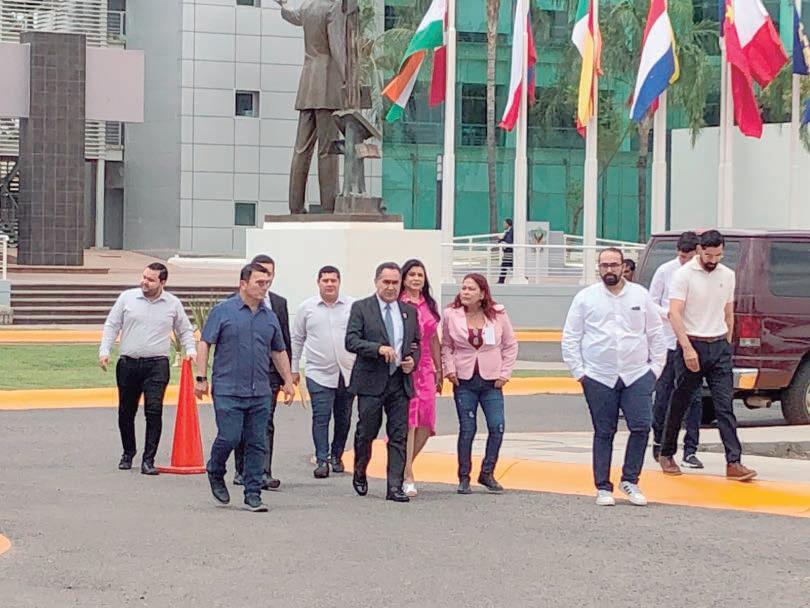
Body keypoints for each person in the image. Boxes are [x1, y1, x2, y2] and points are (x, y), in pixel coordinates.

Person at [561, 248, 666, 507]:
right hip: (598, 376)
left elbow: (656, 333)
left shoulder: (640, 295)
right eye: (604, 265)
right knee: (604, 431)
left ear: (623, 267)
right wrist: (580, 372)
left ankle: (630, 480)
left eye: (614, 264)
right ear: (598, 267)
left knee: (641, 426)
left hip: (637, 374)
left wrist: (655, 368)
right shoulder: (586, 298)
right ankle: (603, 486)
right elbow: (571, 336)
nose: (609, 269)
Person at [195, 263, 296, 512]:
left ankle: (253, 494)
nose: (264, 288)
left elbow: (278, 350)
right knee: (230, 436)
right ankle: (215, 469)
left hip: (260, 390)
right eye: (259, 283)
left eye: (267, 283)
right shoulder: (223, 311)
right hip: (228, 388)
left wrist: (288, 380)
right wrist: (201, 377)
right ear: (243, 284)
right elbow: (205, 343)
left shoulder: (269, 316)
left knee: (257, 442)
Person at [659, 230, 757, 481]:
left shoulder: (727, 275)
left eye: (718, 255)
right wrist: (687, 348)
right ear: (700, 250)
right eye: (709, 255)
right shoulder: (684, 275)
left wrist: (727, 341)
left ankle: (734, 462)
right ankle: (666, 452)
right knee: (680, 401)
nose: (713, 260)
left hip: (719, 345)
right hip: (692, 343)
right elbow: (675, 313)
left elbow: (728, 312)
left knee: (725, 406)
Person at [99, 263, 197, 475]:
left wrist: (190, 350)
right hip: (128, 363)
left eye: (151, 280)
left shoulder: (172, 303)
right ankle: (128, 452)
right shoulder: (127, 298)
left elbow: (185, 329)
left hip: (157, 365)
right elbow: (112, 324)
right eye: (144, 277)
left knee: (154, 410)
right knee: (126, 411)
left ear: (163, 282)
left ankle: (148, 459)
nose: (145, 282)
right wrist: (104, 350)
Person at [345, 262, 420, 503]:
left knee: (398, 434)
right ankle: (360, 470)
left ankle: (394, 486)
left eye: (395, 283)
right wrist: (377, 349)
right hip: (371, 381)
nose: (390, 287)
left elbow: (416, 344)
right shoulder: (361, 308)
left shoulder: (409, 312)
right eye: (386, 282)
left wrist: (412, 361)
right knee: (367, 431)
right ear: (376, 282)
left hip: (399, 381)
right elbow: (351, 341)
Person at [442, 273, 518, 495]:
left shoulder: (498, 314)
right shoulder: (451, 314)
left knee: (497, 426)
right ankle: (464, 476)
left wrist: (505, 373)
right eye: (464, 288)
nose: (466, 292)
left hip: (491, 381)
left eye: (471, 289)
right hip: (464, 379)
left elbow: (510, 344)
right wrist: (450, 369)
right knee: (468, 428)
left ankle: (487, 472)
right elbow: (446, 345)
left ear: (482, 293)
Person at [277, 0, 345, 214]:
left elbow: (291, 15)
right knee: (327, 150)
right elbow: (337, 48)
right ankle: (329, 206)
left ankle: (295, 206)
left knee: (301, 149)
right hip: (326, 83)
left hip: (307, 82)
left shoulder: (308, 6)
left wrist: (284, 4)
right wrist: (348, 78)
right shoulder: (332, 8)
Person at [232, 254, 291, 491]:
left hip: (269, 375)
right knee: (242, 423)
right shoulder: (232, 303)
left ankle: (263, 471)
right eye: (261, 274)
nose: (266, 279)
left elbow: (283, 341)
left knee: (265, 422)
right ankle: (241, 470)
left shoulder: (279, 303)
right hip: (241, 374)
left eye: (269, 274)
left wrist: (288, 376)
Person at [291, 265, 356, 478]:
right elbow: (297, 338)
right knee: (321, 416)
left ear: (339, 282)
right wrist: (293, 368)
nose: (329, 284)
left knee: (344, 417)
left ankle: (337, 455)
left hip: (347, 372)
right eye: (325, 280)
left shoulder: (352, 306)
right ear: (318, 282)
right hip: (318, 372)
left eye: (333, 280)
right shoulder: (307, 308)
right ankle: (322, 459)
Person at [649, 231, 704, 469]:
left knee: (694, 398)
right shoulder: (665, 271)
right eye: (682, 257)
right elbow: (651, 302)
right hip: (669, 342)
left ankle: (690, 449)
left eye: (689, 257)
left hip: (692, 342)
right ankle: (659, 441)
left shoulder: (702, 275)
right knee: (663, 395)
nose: (685, 261)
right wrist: (670, 315)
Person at [399, 259, 443, 497]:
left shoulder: (429, 304)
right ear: (404, 278)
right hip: (406, 367)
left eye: (420, 275)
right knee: (410, 422)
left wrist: (439, 369)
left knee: (426, 422)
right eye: (412, 275)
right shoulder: (398, 303)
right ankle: (407, 474)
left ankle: (402, 464)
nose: (416, 279)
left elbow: (434, 338)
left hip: (426, 369)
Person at [497, 218, 514, 284]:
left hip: (509, 252)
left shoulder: (511, 231)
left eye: (504, 223)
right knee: (508, 266)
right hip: (507, 252)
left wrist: (502, 240)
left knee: (505, 266)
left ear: (508, 224)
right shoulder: (507, 231)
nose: (503, 225)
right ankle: (501, 281)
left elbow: (509, 241)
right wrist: (501, 240)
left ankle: (501, 281)